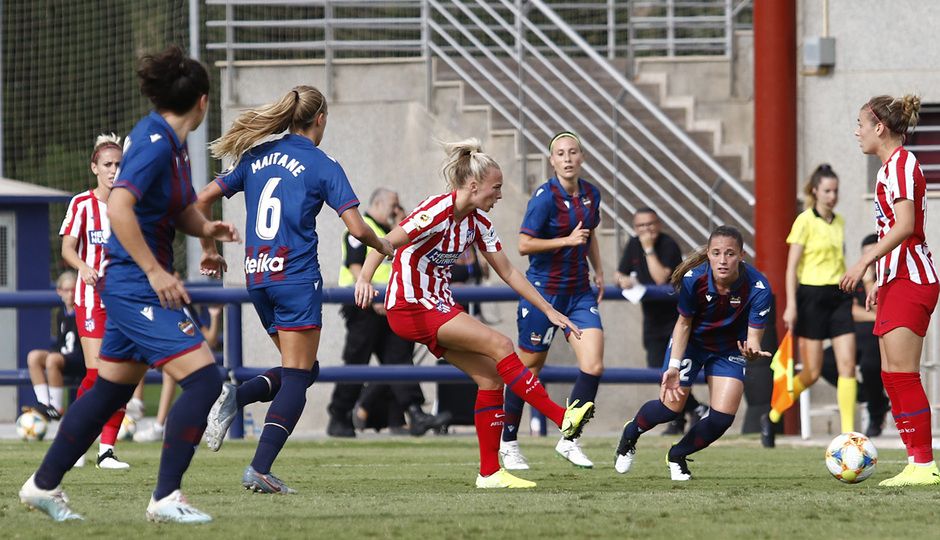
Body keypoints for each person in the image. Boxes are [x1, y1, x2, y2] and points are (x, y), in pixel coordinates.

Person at [19, 45, 238, 523]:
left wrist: (206, 229)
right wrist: (157, 272)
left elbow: (172, 208)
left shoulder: (170, 144)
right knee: (204, 381)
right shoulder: (156, 141)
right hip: (135, 287)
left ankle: (42, 485)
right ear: (203, 102)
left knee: (108, 392)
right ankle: (165, 498)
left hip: (132, 286)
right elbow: (119, 207)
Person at [354, 138, 595, 489]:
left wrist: (549, 309)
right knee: (500, 344)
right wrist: (364, 277)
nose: (499, 195)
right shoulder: (437, 209)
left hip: (437, 305)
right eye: (495, 188)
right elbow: (386, 241)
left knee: (490, 379)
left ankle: (490, 473)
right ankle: (562, 418)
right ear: (473, 185)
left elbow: (509, 272)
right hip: (409, 306)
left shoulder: (479, 223)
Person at [197, 84, 393, 494]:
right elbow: (357, 228)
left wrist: (210, 250)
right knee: (299, 378)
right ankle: (260, 468)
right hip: (295, 279)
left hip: (258, 277)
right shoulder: (323, 164)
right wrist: (383, 244)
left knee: (301, 370)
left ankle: (237, 394)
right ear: (319, 119)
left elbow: (201, 202)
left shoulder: (256, 155)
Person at [614, 226, 772, 480]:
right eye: (717, 253)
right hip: (692, 344)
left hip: (728, 348)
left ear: (742, 255)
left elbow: (754, 338)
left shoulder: (759, 286)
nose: (723, 260)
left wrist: (751, 353)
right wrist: (674, 365)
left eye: (730, 253)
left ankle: (677, 455)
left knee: (721, 418)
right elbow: (683, 324)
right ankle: (631, 433)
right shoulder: (693, 279)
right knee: (670, 408)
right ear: (708, 254)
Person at [841, 94, 939, 486]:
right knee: (890, 375)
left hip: (913, 278)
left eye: (860, 124)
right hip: (897, 280)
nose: (857, 131)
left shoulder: (901, 164)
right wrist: (881, 280)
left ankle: (923, 463)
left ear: (879, 126)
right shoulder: (888, 168)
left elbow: (904, 226)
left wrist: (864, 262)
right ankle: (915, 462)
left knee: (904, 373)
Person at [497, 132, 604, 470]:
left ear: (582, 156)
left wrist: (599, 269)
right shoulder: (544, 197)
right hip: (543, 293)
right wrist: (566, 240)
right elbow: (524, 245)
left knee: (594, 365)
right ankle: (509, 441)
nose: (568, 158)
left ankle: (570, 439)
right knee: (528, 367)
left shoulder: (591, 194)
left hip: (579, 292)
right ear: (552, 161)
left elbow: (590, 235)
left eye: (573, 151)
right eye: (561, 153)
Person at [327, 187, 450, 438]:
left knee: (399, 359)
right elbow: (354, 265)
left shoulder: (391, 233)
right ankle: (339, 417)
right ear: (380, 203)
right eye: (394, 205)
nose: (396, 209)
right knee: (356, 362)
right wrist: (371, 299)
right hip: (363, 305)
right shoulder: (362, 228)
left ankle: (413, 413)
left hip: (388, 305)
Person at [762, 164, 857, 447]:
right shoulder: (804, 221)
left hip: (839, 296)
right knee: (812, 373)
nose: (832, 196)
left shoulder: (839, 221)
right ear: (815, 191)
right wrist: (791, 305)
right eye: (827, 191)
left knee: (848, 366)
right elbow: (791, 268)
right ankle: (774, 413)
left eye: (836, 191)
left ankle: (848, 437)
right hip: (811, 298)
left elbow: (840, 260)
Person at [57, 133, 132, 469]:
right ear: (94, 168)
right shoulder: (82, 204)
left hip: (124, 299)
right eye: (108, 165)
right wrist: (84, 267)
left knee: (123, 374)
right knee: (99, 372)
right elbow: (67, 249)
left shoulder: (130, 203)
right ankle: (72, 438)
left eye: (119, 164)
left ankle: (106, 451)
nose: (114, 170)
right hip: (92, 299)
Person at [615, 207, 706, 436]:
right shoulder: (633, 244)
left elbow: (660, 277)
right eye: (640, 226)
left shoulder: (668, 245)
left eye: (650, 224)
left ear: (659, 224)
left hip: (676, 319)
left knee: (676, 370)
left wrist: (648, 249)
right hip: (652, 319)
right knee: (658, 371)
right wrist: (623, 279)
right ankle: (688, 412)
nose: (646, 230)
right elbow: (619, 273)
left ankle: (687, 412)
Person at [819, 234, 886, 437]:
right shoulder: (852, 279)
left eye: (875, 254)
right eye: (867, 255)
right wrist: (871, 314)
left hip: (877, 338)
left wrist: (868, 286)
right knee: (825, 361)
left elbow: (881, 314)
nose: (871, 260)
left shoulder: (887, 278)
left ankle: (875, 415)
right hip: (853, 334)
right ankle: (875, 399)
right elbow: (849, 310)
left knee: (870, 366)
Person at [134, 305, 223, 442]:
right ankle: (135, 409)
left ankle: (158, 425)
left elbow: (210, 341)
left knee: (169, 372)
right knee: (135, 357)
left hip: (188, 356)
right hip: (163, 349)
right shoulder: (149, 304)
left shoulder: (183, 308)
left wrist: (215, 316)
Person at [25, 271, 85, 421]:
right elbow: (61, 343)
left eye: (73, 290)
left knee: (52, 360)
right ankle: (44, 403)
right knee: (34, 357)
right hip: (63, 357)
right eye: (66, 290)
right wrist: (55, 353)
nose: (70, 294)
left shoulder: (83, 312)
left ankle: (56, 407)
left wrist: (56, 356)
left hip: (80, 359)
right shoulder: (60, 314)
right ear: (59, 292)